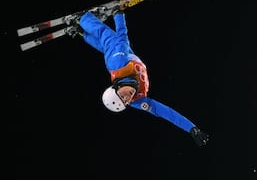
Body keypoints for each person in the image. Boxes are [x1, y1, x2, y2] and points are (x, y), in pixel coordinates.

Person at [70, 8, 209, 147]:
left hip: (122, 59)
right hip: (131, 60)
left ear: (117, 87)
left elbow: (122, 37)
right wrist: (192, 129)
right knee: (105, 45)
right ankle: (81, 32)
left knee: (106, 36)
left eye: (122, 96)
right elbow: (165, 112)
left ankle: (82, 18)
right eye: (125, 102)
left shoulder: (119, 64)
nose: (127, 98)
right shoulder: (137, 100)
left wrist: (118, 15)